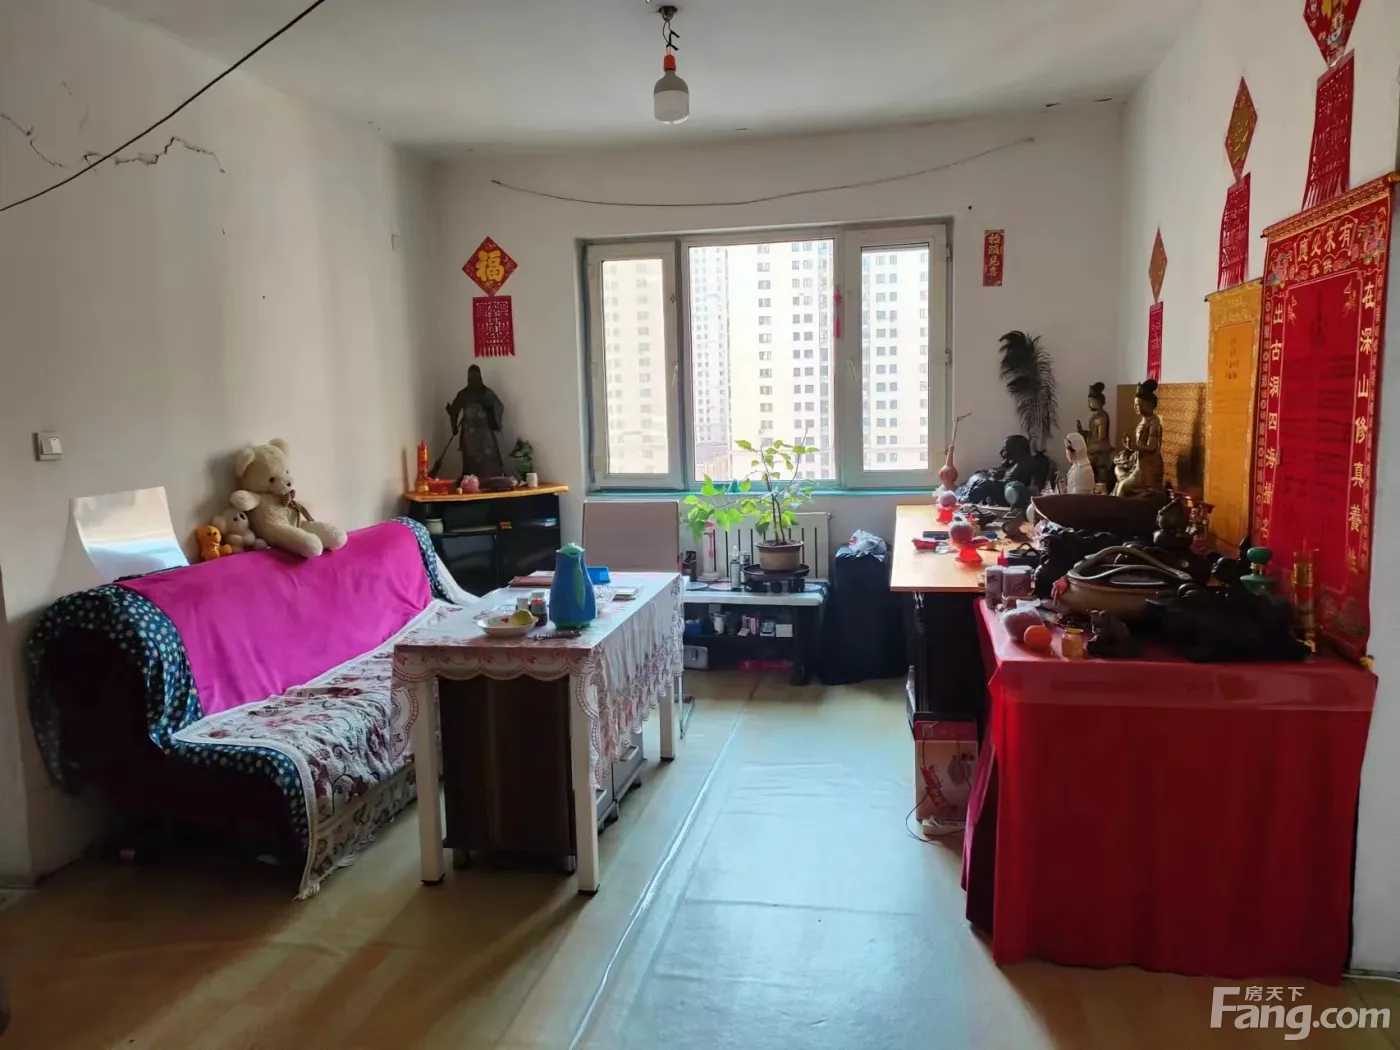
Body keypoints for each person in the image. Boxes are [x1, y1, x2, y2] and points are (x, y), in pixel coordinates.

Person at [446, 365, 506, 479]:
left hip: (485, 434)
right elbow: (454, 411)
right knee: (471, 464)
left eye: (475, 376)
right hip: (470, 434)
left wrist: (491, 415)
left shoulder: (487, 393)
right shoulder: (464, 394)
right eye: (472, 376)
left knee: (489, 463)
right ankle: (470, 482)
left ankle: (491, 481)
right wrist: (454, 427)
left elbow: (499, 407)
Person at [1114, 379, 1165, 497]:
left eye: (1138, 404)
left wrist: (1134, 446)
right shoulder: (1144, 421)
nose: (1135, 407)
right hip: (1138, 462)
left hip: (1147, 467)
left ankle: (1119, 507)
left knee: (1123, 487)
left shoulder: (1154, 422)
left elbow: (1152, 447)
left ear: (1149, 405)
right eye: (1135, 404)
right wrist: (1129, 447)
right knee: (1117, 469)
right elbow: (1139, 445)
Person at [1076, 382, 1114, 488]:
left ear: (1098, 401)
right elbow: (1094, 434)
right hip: (1094, 450)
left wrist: (1089, 450)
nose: (1089, 404)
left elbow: (1101, 438)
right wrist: (1083, 432)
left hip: (1100, 453)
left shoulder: (1101, 417)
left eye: (1090, 401)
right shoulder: (1095, 416)